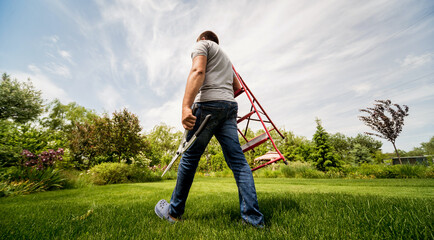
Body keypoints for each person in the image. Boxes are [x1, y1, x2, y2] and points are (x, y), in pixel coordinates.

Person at [154, 31, 264, 227]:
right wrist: (222, 99)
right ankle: (253, 220)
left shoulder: (202, 45)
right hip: (229, 108)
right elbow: (237, 87)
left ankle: (174, 213)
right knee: (238, 163)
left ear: (203, 39)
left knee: (189, 158)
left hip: (207, 106)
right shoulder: (226, 59)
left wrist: (186, 107)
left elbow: (198, 71)